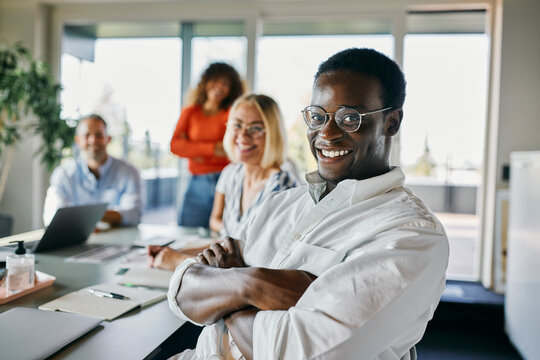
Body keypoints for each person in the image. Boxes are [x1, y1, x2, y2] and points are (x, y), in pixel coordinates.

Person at [166, 48, 449, 360]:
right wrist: (251, 283)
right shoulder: (277, 205)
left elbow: (298, 351)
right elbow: (181, 293)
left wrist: (232, 288)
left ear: (391, 122)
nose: (326, 133)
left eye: (349, 118)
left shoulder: (411, 235)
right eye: (317, 116)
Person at [148, 94, 298, 270]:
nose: (243, 134)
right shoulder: (233, 173)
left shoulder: (284, 188)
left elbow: (251, 262)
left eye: (255, 128)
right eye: (237, 124)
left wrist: (178, 261)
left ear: (273, 133)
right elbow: (226, 246)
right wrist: (173, 251)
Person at [171, 62, 244, 228]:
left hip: (229, 182)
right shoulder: (190, 113)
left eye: (225, 84)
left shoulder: (232, 112)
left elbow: (232, 147)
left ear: (232, 89)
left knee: (227, 234)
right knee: (188, 233)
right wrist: (212, 149)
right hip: (198, 184)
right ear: (205, 83)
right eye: (215, 81)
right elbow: (175, 146)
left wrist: (194, 149)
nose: (219, 87)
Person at [43, 114, 142, 227]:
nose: (93, 140)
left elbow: (133, 214)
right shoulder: (63, 175)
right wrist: (105, 216)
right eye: (87, 135)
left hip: (118, 241)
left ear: (108, 139)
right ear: (78, 140)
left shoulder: (129, 172)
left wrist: (85, 217)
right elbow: (52, 218)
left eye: (99, 135)